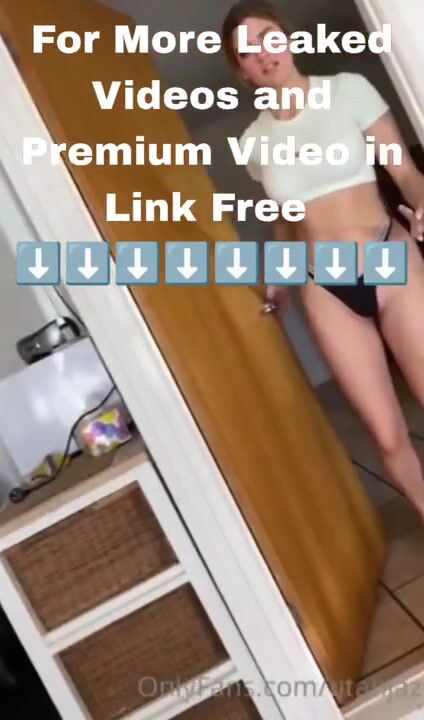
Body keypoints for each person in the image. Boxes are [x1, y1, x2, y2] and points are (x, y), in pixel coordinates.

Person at [221, 0, 424, 520]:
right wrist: (279, 276)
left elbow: (404, 171)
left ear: (287, 39)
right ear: (242, 72)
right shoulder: (252, 143)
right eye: (247, 52)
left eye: (268, 37)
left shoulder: (348, 90)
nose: (263, 54)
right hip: (325, 288)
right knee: (385, 433)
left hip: (387, 257)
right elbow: (284, 218)